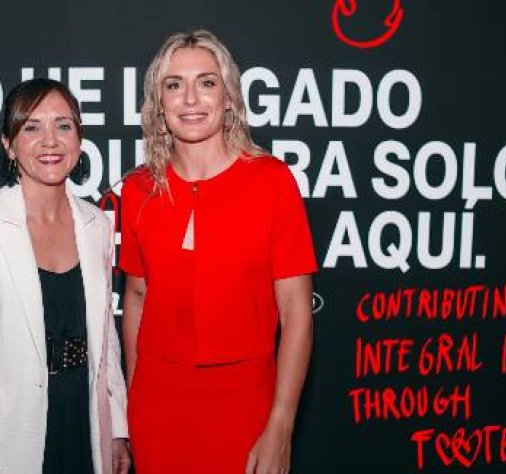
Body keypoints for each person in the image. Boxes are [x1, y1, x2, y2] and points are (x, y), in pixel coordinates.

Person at [120, 30, 317, 473]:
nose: (190, 99)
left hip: (246, 405)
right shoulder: (137, 190)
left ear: (228, 97)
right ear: (159, 103)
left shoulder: (271, 182)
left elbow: (297, 312)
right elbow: (136, 296)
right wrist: (132, 400)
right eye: (174, 85)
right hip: (157, 410)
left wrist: (281, 422)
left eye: (206, 82)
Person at [0, 78, 130, 474]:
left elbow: (105, 339)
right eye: (32, 127)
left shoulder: (95, 224)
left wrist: (117, 429)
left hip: (84, 424)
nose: (50, 141)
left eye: (63, 125)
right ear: (8, 144)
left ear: (79, 138)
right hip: (3, 439)